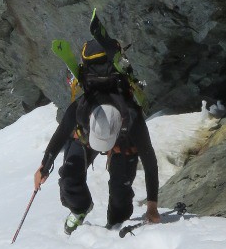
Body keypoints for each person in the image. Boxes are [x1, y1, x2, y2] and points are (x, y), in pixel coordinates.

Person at [33, 37, 161, 234]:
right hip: (87, 134)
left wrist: (153, 207)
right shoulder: (82, 109)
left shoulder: (131, 117)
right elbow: (61, 134)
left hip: (123, 141)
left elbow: (150, 162)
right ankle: (80, 209)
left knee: (121, 194)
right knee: (69, 176)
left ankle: (117, 223)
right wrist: (44, 166)